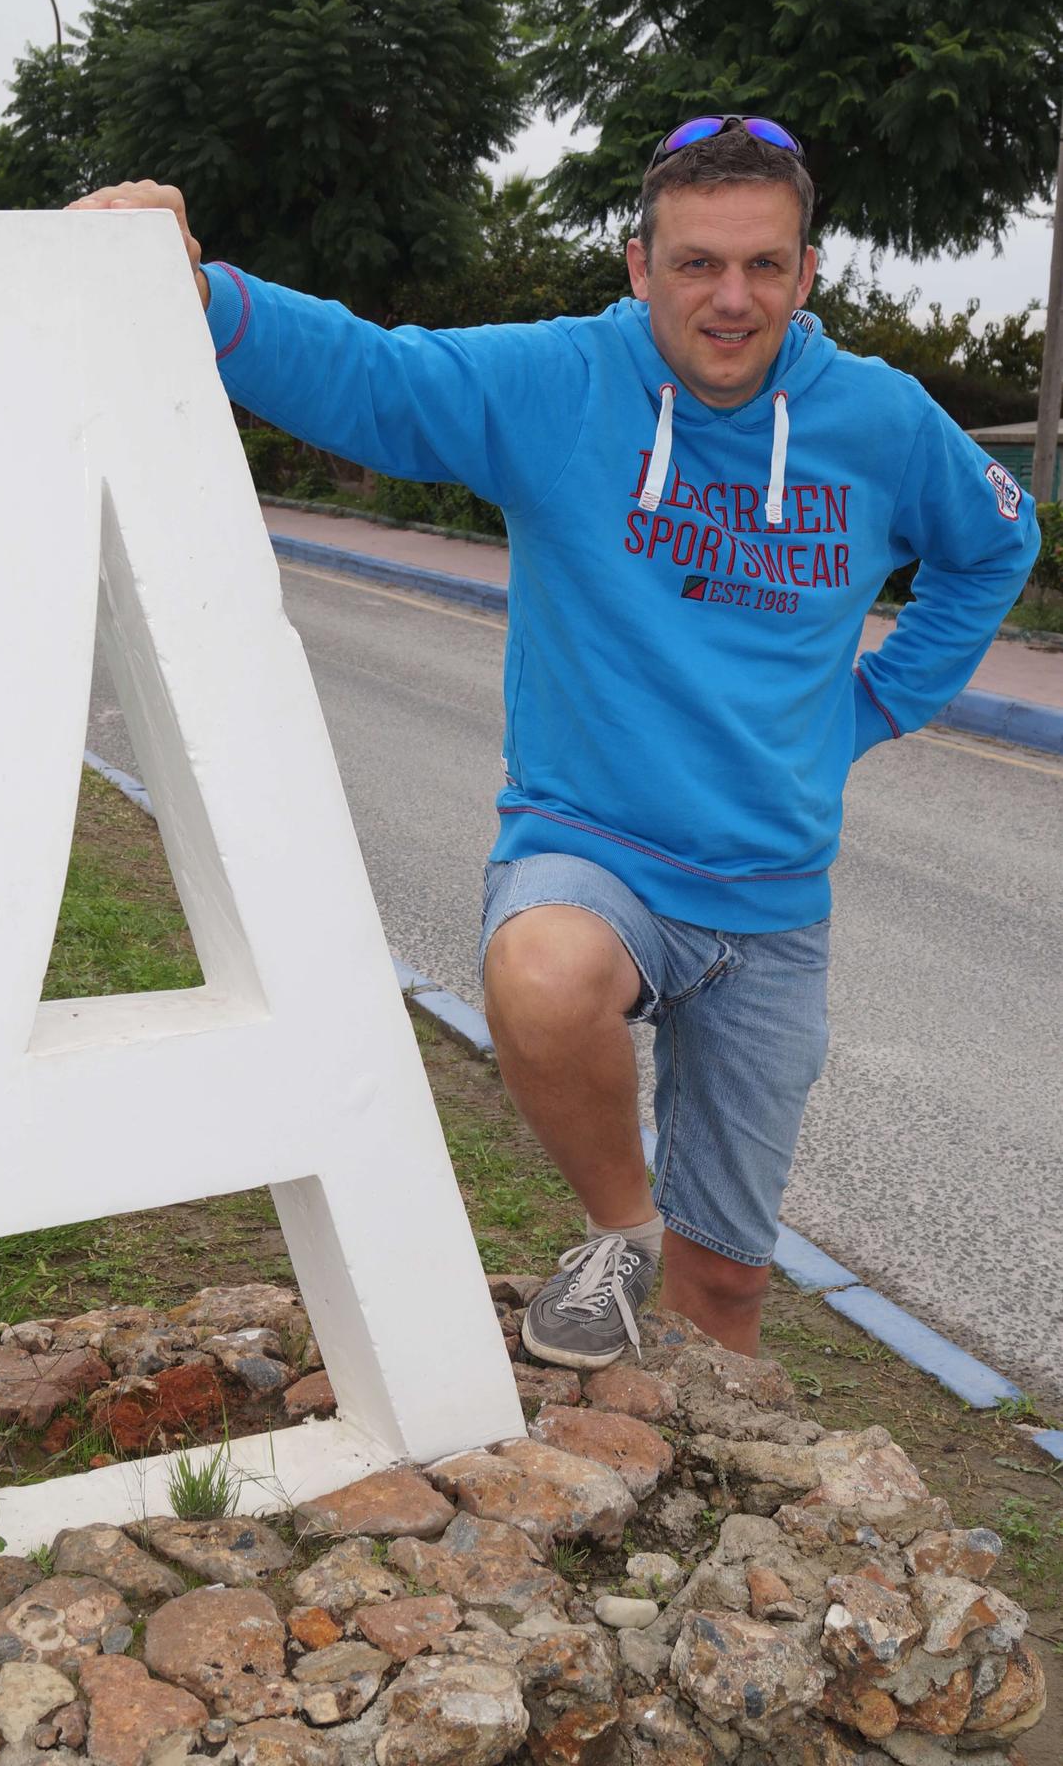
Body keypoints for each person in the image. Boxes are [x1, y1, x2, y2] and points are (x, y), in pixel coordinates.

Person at [68, 118, 1039, 1366]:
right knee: (540, 973)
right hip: (593, 849)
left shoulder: (881, 418)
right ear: (640, 266)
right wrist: (202, 292)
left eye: (762, 265)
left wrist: (879, 703)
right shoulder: (564, 382)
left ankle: (687, 1427)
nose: (730, 298)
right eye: (696, 263)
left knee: (727, 1290)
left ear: (805, 274)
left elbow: (995, 543)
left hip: (770, 902)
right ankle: (619, 1231)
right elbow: (378, 377)